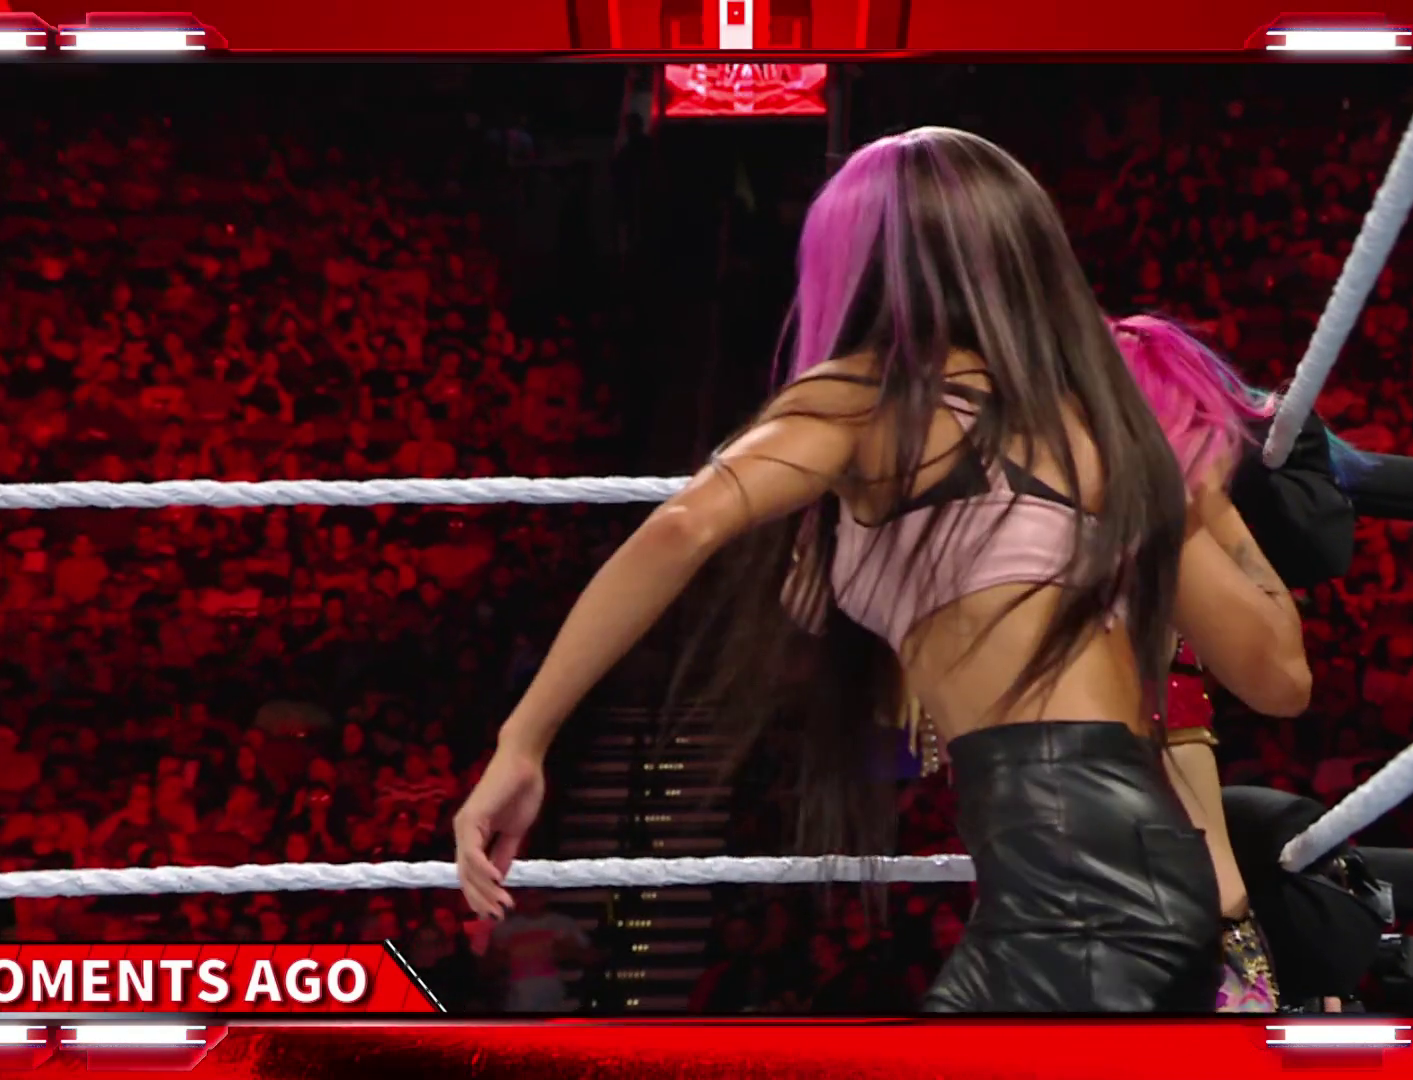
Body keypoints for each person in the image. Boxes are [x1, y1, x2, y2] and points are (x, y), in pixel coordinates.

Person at [454, 127, 1312, 1013]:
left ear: (862, 267)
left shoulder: (871, 399)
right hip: (1111, 873)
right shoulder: (1102, 430)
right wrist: (1208, 508)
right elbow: (1278, 678)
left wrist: (523, 741)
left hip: (1081, 890)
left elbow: (681, 528)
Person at [1111, 313, 1356, 1012]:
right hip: (1181, 949)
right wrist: (1214, 509)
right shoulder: (1157, 522)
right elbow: (1285, 682)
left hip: (1058, 939)